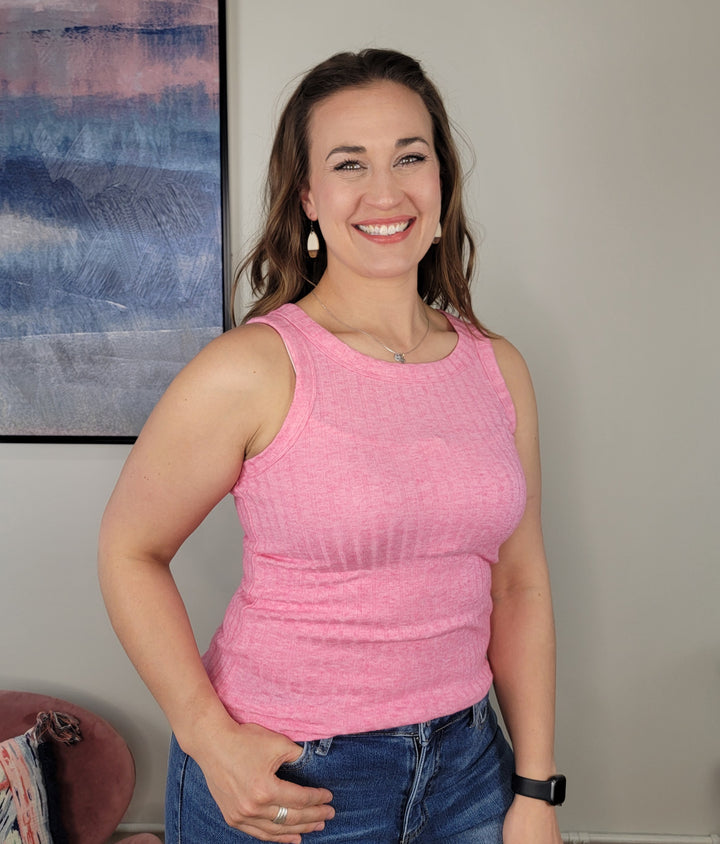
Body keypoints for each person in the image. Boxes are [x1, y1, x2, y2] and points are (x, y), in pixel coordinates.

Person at [98, 49, 564, 844]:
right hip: (289, 778)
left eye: (409, 157)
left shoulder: (498, 368)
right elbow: (128, 550)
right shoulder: (253, 367)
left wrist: (535, 789)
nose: (386, 192)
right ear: (308, 195)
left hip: (469, 772)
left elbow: (518, 586)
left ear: (442, 181)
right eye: (351, 164)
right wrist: (210, 740)